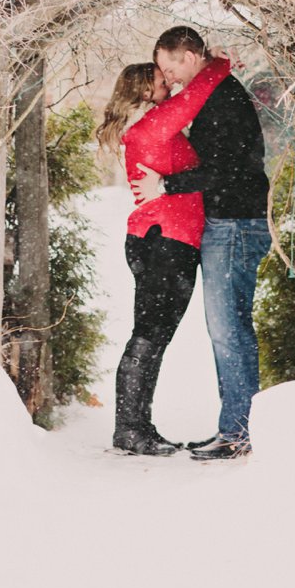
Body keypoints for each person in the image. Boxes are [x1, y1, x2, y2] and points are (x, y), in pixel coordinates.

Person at [132, 27, 270, 461]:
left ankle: (238, 434)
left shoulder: (223, 99)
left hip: (234, 224)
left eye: (170, 65)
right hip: (229, 221)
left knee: (229, 330)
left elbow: (227, 169)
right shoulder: (215, 93)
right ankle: (236, 428)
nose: (168, 75)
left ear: (189, 56)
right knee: (228, 329)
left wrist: (167, 185)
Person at [97, 53, 231, 456]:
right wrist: (220, 65)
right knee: (150, 335)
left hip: (163, 241)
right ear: (143, 90)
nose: (168, 85)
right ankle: (130, 429)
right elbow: (196, 95)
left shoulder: (148, 128)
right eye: (160, 80)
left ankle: (138, 426)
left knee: (153, 336)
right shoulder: (153, 125)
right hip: (165, 242)